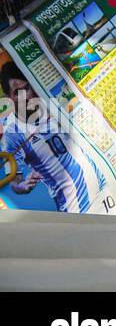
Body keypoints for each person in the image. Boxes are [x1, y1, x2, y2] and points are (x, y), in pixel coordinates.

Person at [1, 62, 101, 213]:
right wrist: (23, 186)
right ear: (9, 98)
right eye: (17, 92)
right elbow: (14, 181)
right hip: (77, 207)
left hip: (105, 185)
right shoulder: (13, 133)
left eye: (26, 88)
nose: (24, 97)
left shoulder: (52, 102)